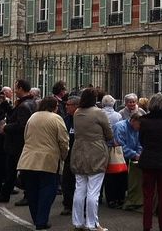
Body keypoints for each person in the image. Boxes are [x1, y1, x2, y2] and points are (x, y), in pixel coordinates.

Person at [17, 96, 69, 230]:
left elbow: (25, 136)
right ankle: (41, 219)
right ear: (53, 107)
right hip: (48, 159)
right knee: (48, 190)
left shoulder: (32, 117)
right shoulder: (56, 119)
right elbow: (63, 141)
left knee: (32, 190)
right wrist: (63, 155)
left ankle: (36, 218)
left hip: (29, 159)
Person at [71, 87, 113, 231]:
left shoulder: (77, 113)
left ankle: (77, 221)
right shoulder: (98, 113)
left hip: (79, 150)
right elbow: (109, 133)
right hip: (96, 151)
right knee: (93, 191)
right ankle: (92, 223)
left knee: (80, 188)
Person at [0, 79, 36, 204]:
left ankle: (27, 196)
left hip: (18, 143)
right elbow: (15, 116)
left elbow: (22, 125)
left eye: (16, 88)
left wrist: (6, 127)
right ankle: (5, 194)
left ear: (21, 88)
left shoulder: (24, 105)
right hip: (19, 143)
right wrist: (5, 104)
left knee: (21, 171)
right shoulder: (29, 102)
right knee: (12, 170)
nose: (15, 90)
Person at [139, 93, 162, 231]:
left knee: (148, 196)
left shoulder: (144, 121)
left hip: (148, 160)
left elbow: (141, 140)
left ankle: (147, 226)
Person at [113, 113, 143, 210]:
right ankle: (116, 199)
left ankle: (125, 197)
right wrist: (135, 154)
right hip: (119, 156)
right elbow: (120, 146)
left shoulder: (137, 129)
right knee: (118, 177)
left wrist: (138, 154)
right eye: (139, 125)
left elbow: (139, 143)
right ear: (133, 121)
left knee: (127, 177)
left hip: (131, 154)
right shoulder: (120, 127)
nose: (139, 128)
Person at [61, 96, 80, 216]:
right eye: (66, 104)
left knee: (79, 182)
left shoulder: (81, 119)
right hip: (68, 155)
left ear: (76, 106)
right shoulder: (65, 119)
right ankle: (67, 204)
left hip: (79, 154)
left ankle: (78, 205)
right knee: (66, 181)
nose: (66, 106)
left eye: (69, 105)